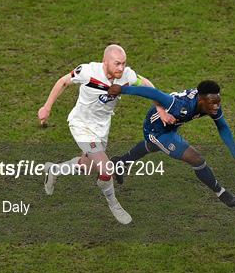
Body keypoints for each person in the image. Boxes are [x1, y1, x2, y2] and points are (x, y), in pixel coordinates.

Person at [37, 44, 173, 224]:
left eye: (123, 63)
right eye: (117, 64)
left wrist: (160, 108)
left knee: (88, 166)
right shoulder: (87, 71)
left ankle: (54, 169)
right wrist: (47, 107)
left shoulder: (127, 76)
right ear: (105, 62)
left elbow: (148, 86)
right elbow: (63, 81)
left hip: (101, 129)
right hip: (81, 125)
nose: (121, 68)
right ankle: (114, 204)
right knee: (107, 169)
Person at [107, 80, 235, 207]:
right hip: (156, 130)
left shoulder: (210, 103)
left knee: (152, 146)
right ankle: (220, 192)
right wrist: (122, 89)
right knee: (196, 159)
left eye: (218, 102)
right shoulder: (179, 105)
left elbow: (223, 127)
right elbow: (153, 93)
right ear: (201, 100)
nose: (216, 107)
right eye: (212, 103)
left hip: (170, 126)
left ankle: (119, 162)